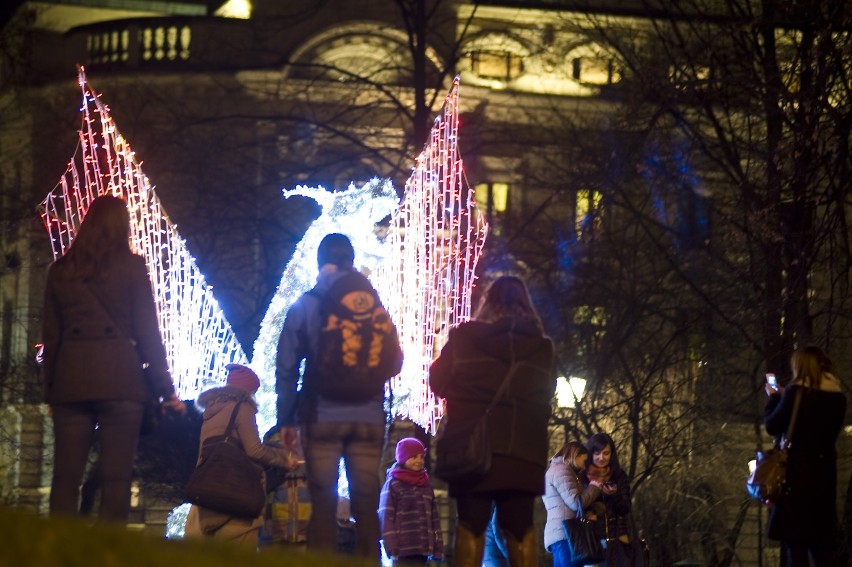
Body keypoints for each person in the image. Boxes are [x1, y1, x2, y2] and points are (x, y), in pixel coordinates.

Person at [41, 194, 186, 523]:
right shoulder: (132, 267)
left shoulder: (60, 271)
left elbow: (51, 337)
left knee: (65, 478)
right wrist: (166, 389)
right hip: (122, 380)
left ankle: (57, 549)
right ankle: (110, 550)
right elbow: (148, 332)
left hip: (71, 380)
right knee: (116, 477)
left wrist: (50, 391)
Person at [276, 233, 403, 561]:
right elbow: (395, 360)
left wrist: (285, 419)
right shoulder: (373, 304)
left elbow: (287, 366)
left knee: (323, 501)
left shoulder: (307, 303)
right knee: (364, 499)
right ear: (351, 260)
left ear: (319, 263)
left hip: (322, 416)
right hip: (368, 417)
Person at [429, 275, 556, 567]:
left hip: (473, 447)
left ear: (488, 302)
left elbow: (437, 381)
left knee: (470, 525)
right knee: (521, 528)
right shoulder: (543, 348)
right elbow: (547, 393)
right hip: (523, 451)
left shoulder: (464, 338)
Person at [184, 363, 297, 547]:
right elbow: (254, 449)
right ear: (248, 391)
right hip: (234, 491)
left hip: (206, 490)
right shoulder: (242, 407)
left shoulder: (211, 410)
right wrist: (285, 460)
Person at [764, 346, 846, 566]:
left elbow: (772, 425)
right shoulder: (838, 397)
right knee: (821, 548)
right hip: (824, 480)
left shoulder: (795, 393)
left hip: (796, 479)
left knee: (796, 546)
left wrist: (774, 399)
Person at [378, 437, 444, 565]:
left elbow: (434, 518)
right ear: (403, 458)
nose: (419, 461)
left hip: (423, 549)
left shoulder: (426, 485)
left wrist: (438, 547)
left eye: (421, 457)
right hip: (402, 550)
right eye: (414, 457)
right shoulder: (393, 484)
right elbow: (385, 516)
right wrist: (391, 545)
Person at [581, 433, 645, 567]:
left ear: (612, 454)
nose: (601, 458)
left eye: (606, 453)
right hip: (591, 540)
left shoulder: (619, 476)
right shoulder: (582, 477)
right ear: (590, 453)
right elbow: (578, 505)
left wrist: (613, 495)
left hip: (618, 538)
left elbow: (625, 508)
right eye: (597, 453)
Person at [543, 441, 603, 567]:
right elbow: (576, 502)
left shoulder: (555, 471)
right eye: (584, 460)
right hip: (566, 534)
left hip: (560, 533)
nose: (584, 466)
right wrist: (594, 487)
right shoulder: (562, 470)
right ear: (575, 455)